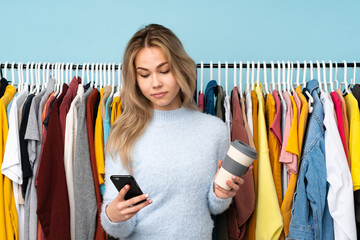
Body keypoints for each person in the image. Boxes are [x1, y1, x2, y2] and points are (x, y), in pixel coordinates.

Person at [101, 24, 244, 239]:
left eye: (164, 70)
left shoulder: (213, 130)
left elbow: (214, 208)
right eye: (144, 75)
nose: (156, 83)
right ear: (135, 79)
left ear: (180, 68)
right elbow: (122, 226)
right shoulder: (124, 134)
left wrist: (221, 194)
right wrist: (112, 216)